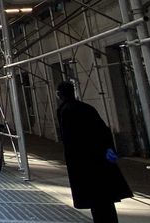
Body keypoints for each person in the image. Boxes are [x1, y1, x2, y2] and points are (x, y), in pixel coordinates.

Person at [56, 81, 131, 222]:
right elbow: (104, 131)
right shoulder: (87, 108)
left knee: (95, 198)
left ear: (60, 94)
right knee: (105, 198)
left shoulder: (65, 110)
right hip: (100, 159)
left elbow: (70, 140)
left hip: (84, 162)